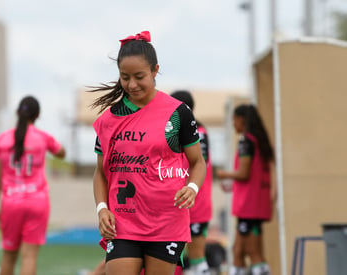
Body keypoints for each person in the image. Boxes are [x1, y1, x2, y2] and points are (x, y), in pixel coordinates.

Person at [90, 31, 206, 275]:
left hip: (166, 222)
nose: (132, 84)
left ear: (155, 70)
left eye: (139, 76)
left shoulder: (178, 113)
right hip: (122, 224)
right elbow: (100, 172)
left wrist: (192, 188)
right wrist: (102, 207)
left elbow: (197, 162)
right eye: (125, 77)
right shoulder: (108, 120)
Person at [0, 95, 66, 275]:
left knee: (8, 256)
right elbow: (62, 152)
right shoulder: (43, 137)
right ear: (37, 115)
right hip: (37, 201)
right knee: (29, 257)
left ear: (18, 113)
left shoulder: (1, 139)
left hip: (11, 203)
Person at [216, 104, 276, 275]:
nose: (233, 124)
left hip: (249, 206)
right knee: (237, 251)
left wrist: (224, 174)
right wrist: (233, 184)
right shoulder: (259, 142)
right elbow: (254, 175)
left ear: (241, 119)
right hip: (255, 203)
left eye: (234, 120)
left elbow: (244, 173)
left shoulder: (246, 141)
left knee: (254, 253)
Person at [171, 90, 213, 275]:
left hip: (196, 203)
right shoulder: (185, 132)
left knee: (196, 257)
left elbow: (197, 164)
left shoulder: (198, 133)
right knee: (176, 256)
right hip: (183, 203)